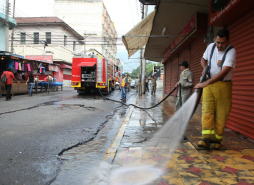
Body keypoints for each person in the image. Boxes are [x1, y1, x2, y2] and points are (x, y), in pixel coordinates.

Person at [195, 29, 236, 150]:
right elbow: (203, 59)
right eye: (218, 42)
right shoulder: (211, 47)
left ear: (227, 41)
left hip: (223, 86)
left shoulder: (231, 51)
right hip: (209, 85)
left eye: (222, 43)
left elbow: (224, 72)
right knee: (207, 112)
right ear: (215, 40)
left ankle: (217, 139)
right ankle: (206, 139)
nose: (219, 45)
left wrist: (205, 83)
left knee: (221, 114)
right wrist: (204, 68)